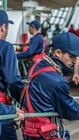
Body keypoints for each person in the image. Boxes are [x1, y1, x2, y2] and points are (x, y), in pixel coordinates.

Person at [21, 32, 79, 140]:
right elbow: (69, 110)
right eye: (71, 56)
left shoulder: (36, 66)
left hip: (28, 131)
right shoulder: (58, 81)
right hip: (45, 133)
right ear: (58, 53)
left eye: (76, 57)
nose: (75, 61)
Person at [0, 10, 24, 140]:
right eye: (7, 28)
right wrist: (22, 100)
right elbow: (12, 80)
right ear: (3, 27)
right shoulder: (5, 47)